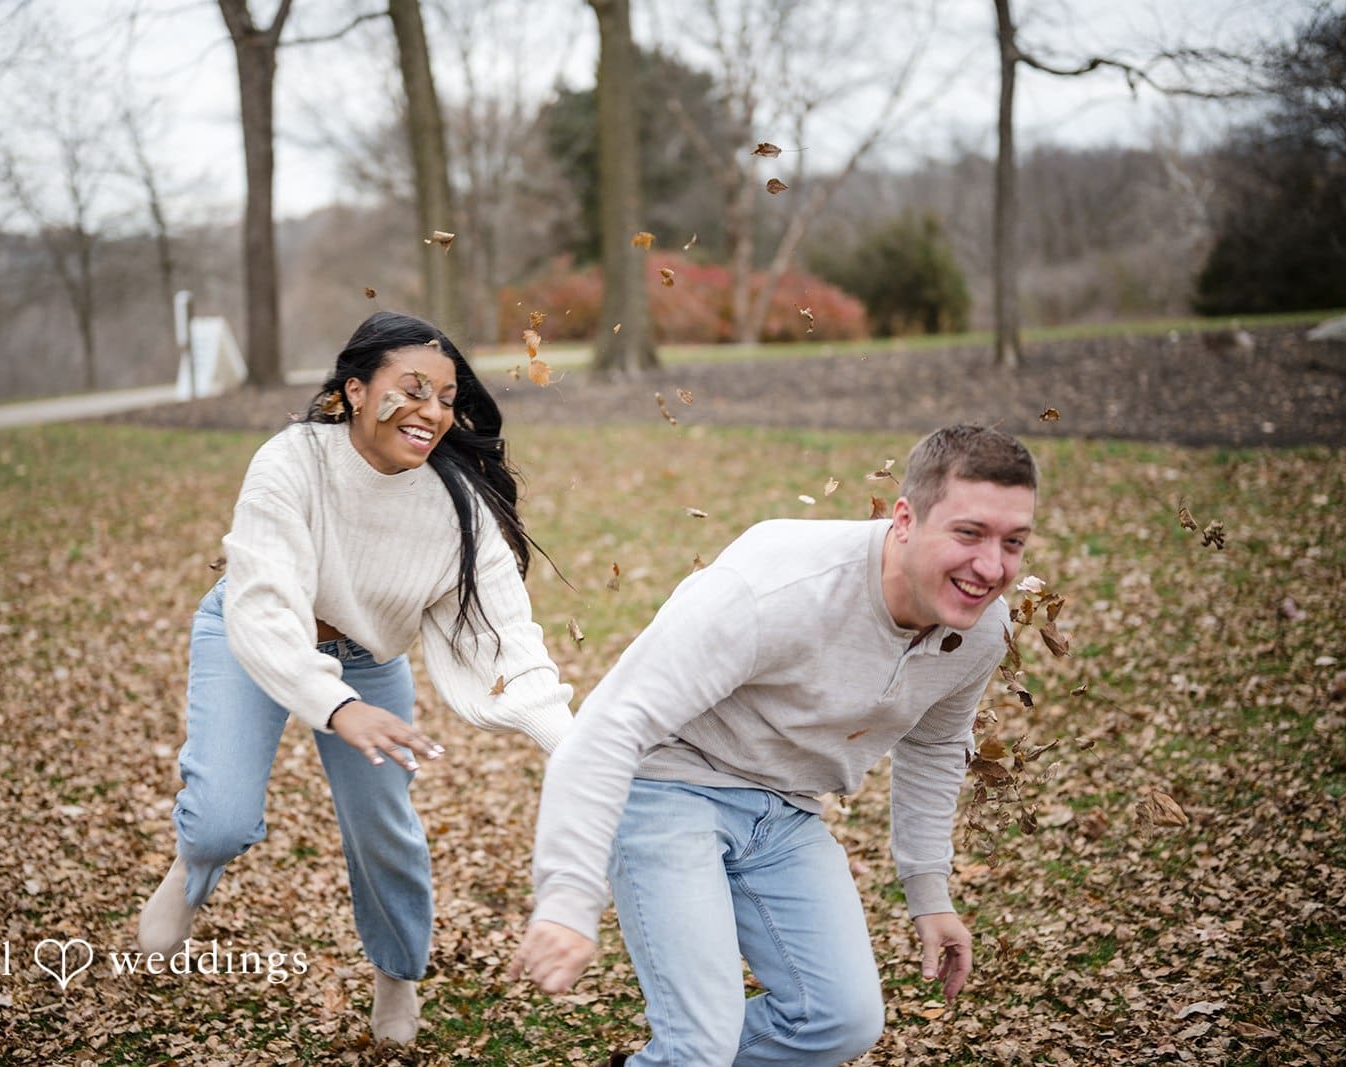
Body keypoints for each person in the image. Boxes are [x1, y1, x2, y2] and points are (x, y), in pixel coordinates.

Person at [511, 424, 1039, 1066]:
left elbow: (935, 745)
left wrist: (929, 893)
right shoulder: (776, 586)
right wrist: (569, 898)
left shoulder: (982, 627)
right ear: (905, 519)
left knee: (839, 1021)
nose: (992, 567)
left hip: (785, 808)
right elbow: (609, 727)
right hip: (667, 785)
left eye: (1013, 542)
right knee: (701, 1042)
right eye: (968, 533)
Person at [139, 311, 574, 1045]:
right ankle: (194, 864)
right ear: (353, 392)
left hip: (369, 658)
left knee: (384, 831)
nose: (433, 411)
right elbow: (266, 607)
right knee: (219, 816)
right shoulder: (292, 461)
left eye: (445, 395)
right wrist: (336, 708)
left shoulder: (458, 508)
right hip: (253, 632)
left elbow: (507, 641)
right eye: (412, 389)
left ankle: (397, 975)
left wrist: (570, 741)